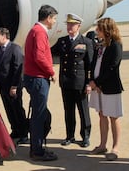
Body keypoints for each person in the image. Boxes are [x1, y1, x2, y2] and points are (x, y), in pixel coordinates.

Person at [51, 13, 93, 148]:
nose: (69, 26)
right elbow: (49, 52)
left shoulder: (86, 42)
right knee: (68, 110)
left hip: (80, 82)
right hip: (66, 81)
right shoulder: (62, 41)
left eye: (72, 24)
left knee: (83, 110)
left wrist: (89, 83)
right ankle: (70, 136)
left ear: (78, 26)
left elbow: (90, 65)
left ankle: (85, 136)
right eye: (68, 24)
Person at [23, 4, 58, 161]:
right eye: (54, 18)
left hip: (35, 78)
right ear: (48, 17)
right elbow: (39, 56)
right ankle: (37, 150)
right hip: (38, 78)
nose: (55, 22)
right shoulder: (39, 32)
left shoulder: (35, 31)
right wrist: (51, 71)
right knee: (39, 115)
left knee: (39, 113)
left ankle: (36, 148)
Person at [89, 17, 123, 161]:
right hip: (98, 87)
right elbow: (93, 64)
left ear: (106, 30)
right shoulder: (100, 45)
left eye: (99, 29)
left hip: (109, 87)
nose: (97, 31)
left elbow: (112, 67)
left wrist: (97, 82)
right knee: (102, 115)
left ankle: (115, 147)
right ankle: (103, 145)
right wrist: (91, 80)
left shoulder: (116, 45)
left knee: (113, 117)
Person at [0, 27, 29, 144]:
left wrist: (15, 86)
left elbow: (18, 68)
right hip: (2, 86)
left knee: (17, 109)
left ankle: (24, 133)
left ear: (4, 36)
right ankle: (15, 130)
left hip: (13, 86)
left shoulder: (15, 48)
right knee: (9, 109)